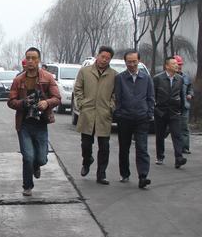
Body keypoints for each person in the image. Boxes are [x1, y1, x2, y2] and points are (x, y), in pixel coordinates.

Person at [7, 47, 61, 196]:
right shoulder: (18, 80)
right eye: (28, 58)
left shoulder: (47, 78)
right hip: (24, 124)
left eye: (33, 58)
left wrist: (47, 103)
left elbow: (57, 98)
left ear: (39, 60)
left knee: (42, 159)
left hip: (41, 123)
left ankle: (36, 165)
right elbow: (11, 101)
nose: (30, 61)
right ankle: (27, 186)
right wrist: (23, 103)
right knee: (28, 157)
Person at [74, 46, 117, 185]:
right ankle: (87, 160)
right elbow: (78, 88)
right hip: (88, 113)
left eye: (107, 58)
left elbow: (116, 94)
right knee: (86, 144)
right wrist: (81, 103)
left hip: (104, 114)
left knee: (104, 147)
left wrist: (111, 106)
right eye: (102, 56)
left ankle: (101, 174)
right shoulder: (85, 71)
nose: (104, 60)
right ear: (97, 56)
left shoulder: (114, 75)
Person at [114, 50, 154, 189]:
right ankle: (124, 173)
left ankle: (143, 176)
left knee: (142, 147)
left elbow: (150, 97)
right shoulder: (120, 78)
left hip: (142, 118)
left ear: (139, 61)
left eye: (134, 62)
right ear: (125, 62)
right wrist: (118, 113)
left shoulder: (146, 78)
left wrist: (149, 113)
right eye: (129, 62)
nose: (132, 64)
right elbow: (117, 98)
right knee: (124, 147)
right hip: (124, 118)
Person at [154, 57, 187, 168]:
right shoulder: (158, 78)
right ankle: (160, 156)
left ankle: (179, 158)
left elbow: (181, 94)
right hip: (160, 111)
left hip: (174, 112)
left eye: (177, 64)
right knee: (160, 135)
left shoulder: (180, 79)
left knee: (177, 135)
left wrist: (181, 108)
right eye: (173, 64)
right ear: (167, 66)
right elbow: (153, 95)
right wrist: (154, 108)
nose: (176, 65)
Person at [174, 55, 193, 154]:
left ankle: (185, 147)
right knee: (171, 128)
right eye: (177, 64)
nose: (179, 66)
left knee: (184, 127)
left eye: (180, 64)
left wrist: (190, 94)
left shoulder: (186, 77)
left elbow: (190, 88)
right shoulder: (170, 77)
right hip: (173, 107)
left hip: (184, 106)